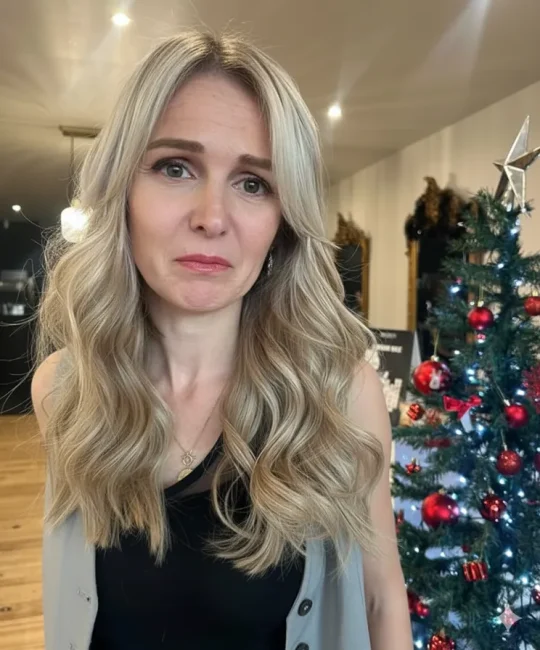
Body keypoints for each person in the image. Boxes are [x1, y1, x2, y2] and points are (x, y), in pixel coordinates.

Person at [31, 29, 412, 650]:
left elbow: (380, 598)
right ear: (122, 191)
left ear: (282, 221)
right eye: (175, 168)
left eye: (253, 182)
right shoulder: (66, 390)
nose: (212, 217)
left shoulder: (340, 397)